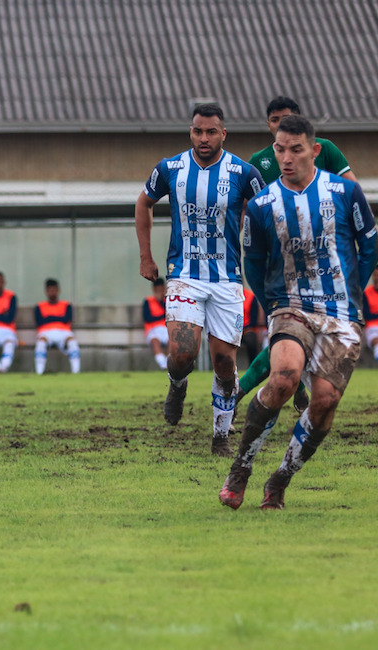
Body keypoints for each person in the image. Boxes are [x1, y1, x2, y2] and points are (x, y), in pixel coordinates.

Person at [220, 114, 378, 511]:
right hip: (290, 305)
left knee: (324, 402)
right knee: (285, 378)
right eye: (280, 149)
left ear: (314, 150)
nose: (286, 157)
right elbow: (252, 261)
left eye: (295, 149)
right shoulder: (261, 205)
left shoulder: (345, 193)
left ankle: (280, 480)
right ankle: (240, 470)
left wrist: (353, 294)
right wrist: (270, 302)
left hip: (340, 310)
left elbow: (370, 244)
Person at [135, 103, 265, 456]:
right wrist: (146, 256)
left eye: (211, 132)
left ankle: (220, 438)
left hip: (226, 281)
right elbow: (143, 203)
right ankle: (177, 385)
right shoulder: (170, 168)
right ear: (190, 132)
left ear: (224, 133)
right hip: (184, 276)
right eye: (197, 131)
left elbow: (269, 211)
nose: (203, 138)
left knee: (225, 362)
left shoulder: (243, 172)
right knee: (182, 354)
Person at [249, 96, 357, 185]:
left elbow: (352, 189)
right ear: (268, 125)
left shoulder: (325, 148)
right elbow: (245, 204)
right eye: (274, 120)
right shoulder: (257, 160)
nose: (280, 124)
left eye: (286, 118)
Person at [34, 278, 80, 374]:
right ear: (46, 292)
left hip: (64, 332)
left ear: (58, 290)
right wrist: (58, 318)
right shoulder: (39, 306)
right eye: (50, 290)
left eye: (54, 290)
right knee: (41, 343)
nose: (52, 293)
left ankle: (76, 371)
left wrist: (49, 318)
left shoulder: (67, 305)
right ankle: (39, 372)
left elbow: (67, 319)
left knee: (72, 341)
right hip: (46, 332)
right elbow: (40, 322)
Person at [142, 278, 168, 370]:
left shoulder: (167, 301)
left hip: (166, 328)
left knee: (172, 342)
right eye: (157, 290)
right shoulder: (148, 301)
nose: (159, 292)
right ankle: (163, 363)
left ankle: (170, 363)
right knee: (155, 341)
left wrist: (160, 301)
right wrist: (162, 316)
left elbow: (169, 313)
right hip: (153, 329)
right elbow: (147, 318)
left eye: (161, 290)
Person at [241, 287, 265, 362]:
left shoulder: (250, 296)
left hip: (246, 330)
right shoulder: (227, 296)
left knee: (251, 340)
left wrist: (242, 329)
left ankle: (252, 364)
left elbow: (253, 320)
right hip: (231, 329)